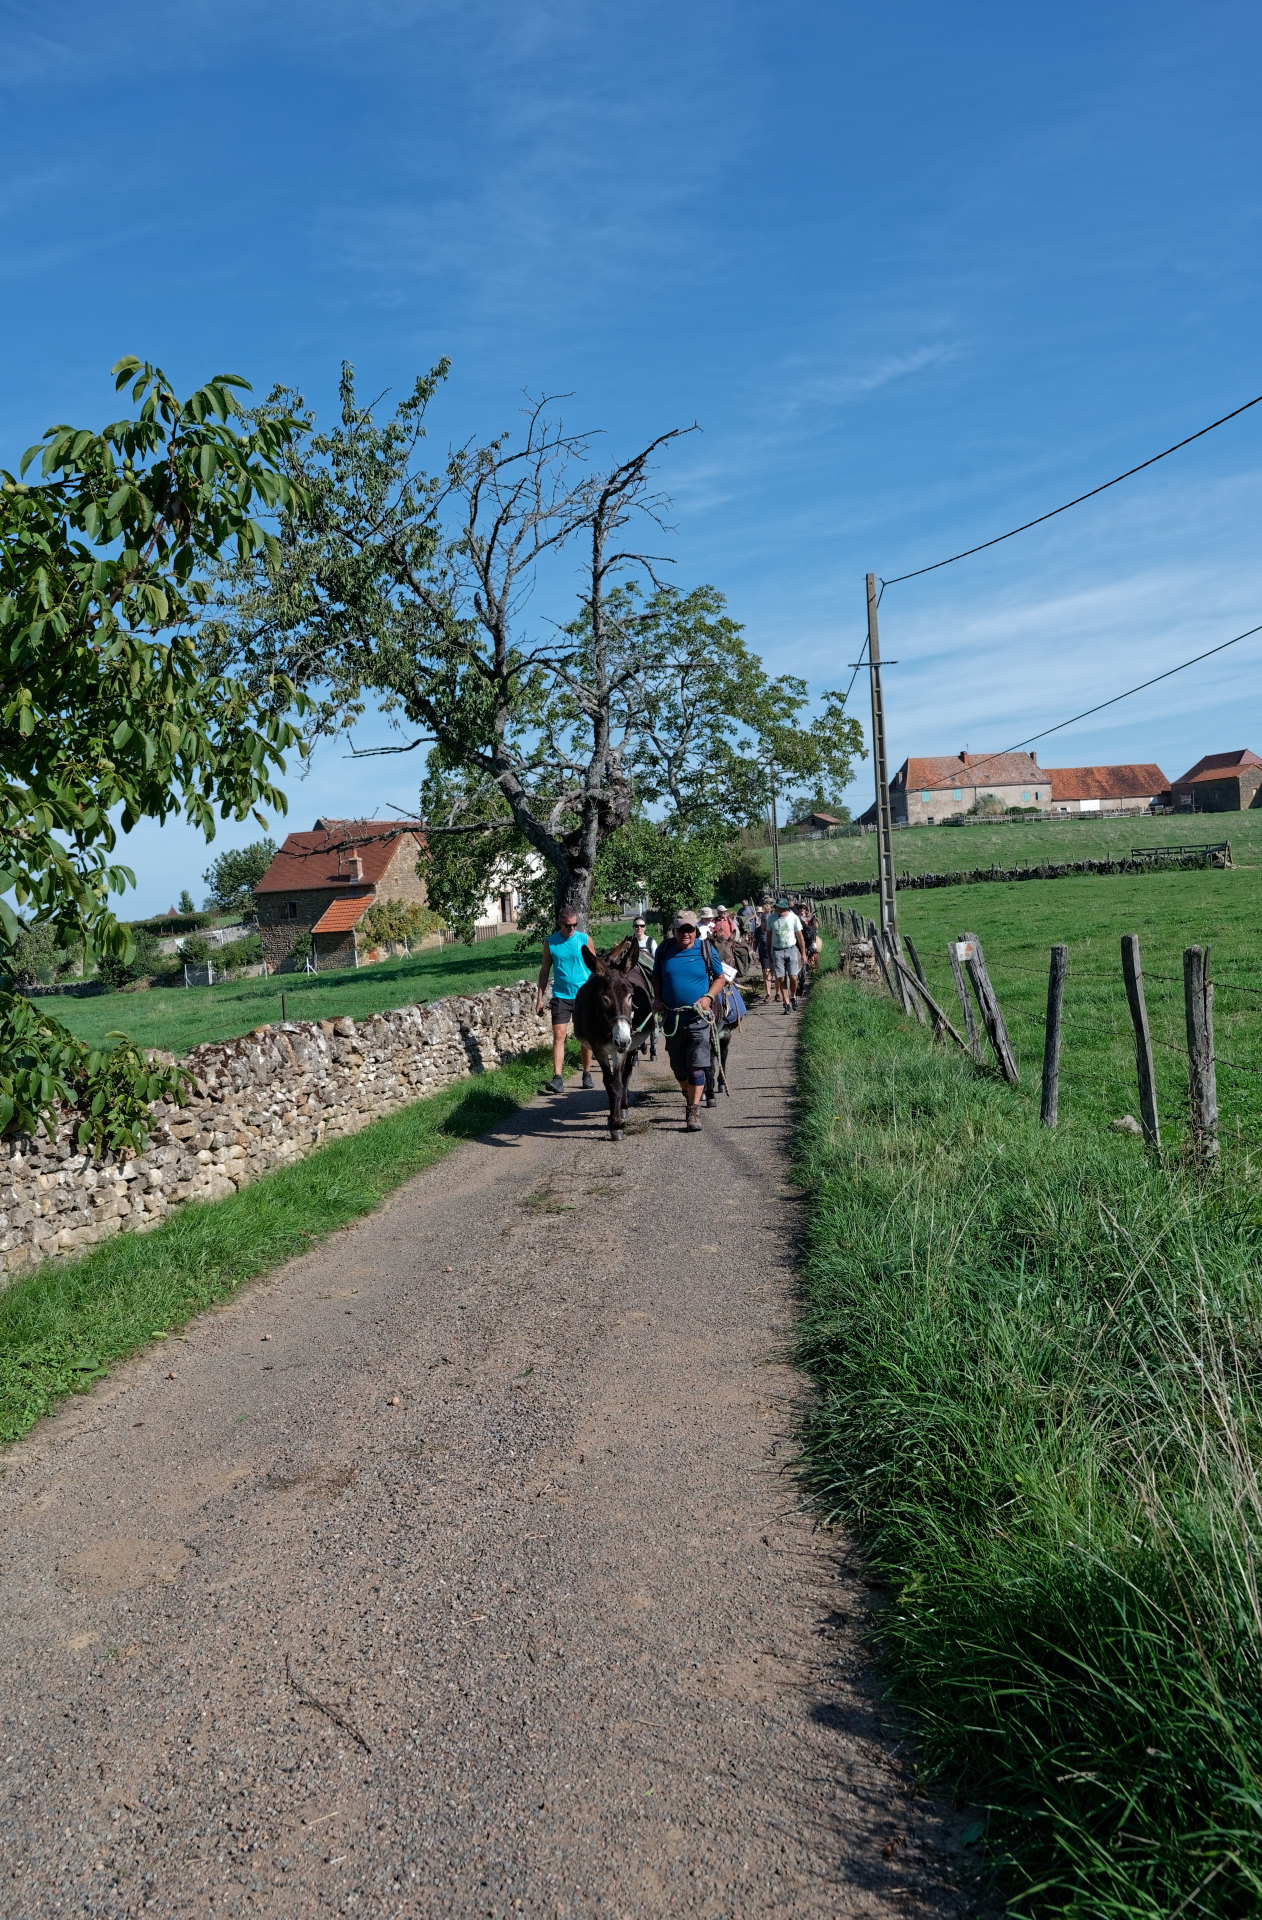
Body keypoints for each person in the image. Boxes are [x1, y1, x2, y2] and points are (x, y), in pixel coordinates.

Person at [652, 910, 726, 1132]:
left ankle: (693, 1109)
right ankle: (689, 1091)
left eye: (689, 929)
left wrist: (708, 997)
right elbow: (656, 975)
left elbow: (720, 978)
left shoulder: (705, 949)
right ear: (674, 930)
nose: (685, 933)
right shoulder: (664, 949)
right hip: (672, 1018)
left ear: (695, 931)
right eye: (681, 929)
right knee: (678, 1068)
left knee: (696, 1067)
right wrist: (657, 997)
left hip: (698, 1019)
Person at [535, 908, 596, 1094]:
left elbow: (596, 967)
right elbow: (544, 971)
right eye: (568, 925)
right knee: (559, 1035)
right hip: (561, 996)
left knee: (585, 1037)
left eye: (575, 924)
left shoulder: (585, 940)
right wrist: (539, 998)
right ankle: (557, 1079)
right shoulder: (550, 943)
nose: (572, 928)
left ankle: (587, 1073)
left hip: (584, 995)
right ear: (559, 923)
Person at [768, 895, 807, 1011]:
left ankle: (793, 996)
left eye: (782, 908)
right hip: (777, 950)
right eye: (778, 908)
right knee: (781, 978)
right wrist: (769, 954)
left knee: (793, 977)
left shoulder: (793, 918)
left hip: (791, 949)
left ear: (786, 908)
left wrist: (803, 954)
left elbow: (800, 937)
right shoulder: (771, 919)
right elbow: (769, 937)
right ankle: (787, 1003)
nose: (779, 910)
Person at [631, 915, 659, 1060]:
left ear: (645, 927)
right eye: (636, 926)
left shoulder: (650, 942)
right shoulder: (629, 941)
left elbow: (656, 960)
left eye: (641, 926)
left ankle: (653, 1045)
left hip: (646, 970)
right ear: (633, 927)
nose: (639, 928)